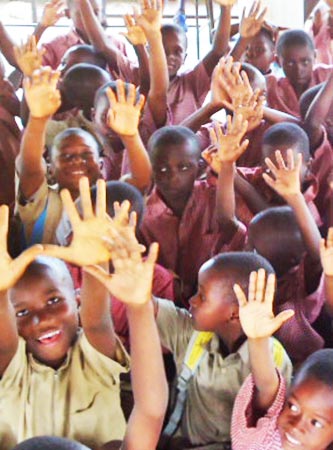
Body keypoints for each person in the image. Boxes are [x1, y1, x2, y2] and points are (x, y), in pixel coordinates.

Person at [154, 251, 292, 450]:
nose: (192, 301)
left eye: (202, 295)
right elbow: (146, 304)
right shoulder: (194, 334)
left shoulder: (271, 356)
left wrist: (257, 340)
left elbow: (268, 393)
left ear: (234, 314)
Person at [16, 67, 151, 245]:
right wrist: (38, 119)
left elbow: (141, 182)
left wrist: (130, 135)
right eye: (66, 157)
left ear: (101, 166)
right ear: (50, 170)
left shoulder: (106, 197)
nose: (77, 161)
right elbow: (31, 167)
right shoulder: (42, 201)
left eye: (86, 154)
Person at [139, 123, 247, 303]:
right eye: (163, 169)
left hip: (216, 303)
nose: (173, 177)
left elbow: (233, 229)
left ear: (199, 166)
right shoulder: (143, 217)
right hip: (163, 308)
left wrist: (227, 167)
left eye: (184, 167)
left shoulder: (217, 197)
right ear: (151, 169)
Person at [231, 269, 333, 450]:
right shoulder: (269, 435)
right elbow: (267, 384)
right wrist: (257, 340)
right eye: (292, 406)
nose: (295, 425)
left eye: (316, 423)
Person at [266, 29, 332, 118]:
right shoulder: (273, 88)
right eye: (290, 63)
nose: (298, 69)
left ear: (315, 56)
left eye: (305, 62)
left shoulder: (326, 76)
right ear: (278, 61)